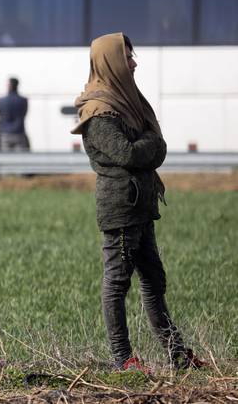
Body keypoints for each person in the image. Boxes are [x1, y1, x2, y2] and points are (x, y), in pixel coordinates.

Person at [72, 32, 206, 371]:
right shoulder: (99, 112)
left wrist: (149, 145)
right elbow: (128, 153)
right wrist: (150, 142)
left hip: (142, 206)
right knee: (117, 282)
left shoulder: (128, 103)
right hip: (121, 209)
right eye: (128, 56)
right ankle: (123, 359)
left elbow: (154, 148)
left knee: (153, 280)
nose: (134, 62)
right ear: (112, 61)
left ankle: (177, 353)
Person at [0, 77, 29, 151]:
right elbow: (24, 113)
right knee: (19, 160)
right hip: (19, 133)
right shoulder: (23, 100)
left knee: (5, 160)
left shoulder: (2, 100)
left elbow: (0, 114)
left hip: (5, 134)